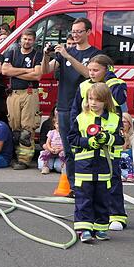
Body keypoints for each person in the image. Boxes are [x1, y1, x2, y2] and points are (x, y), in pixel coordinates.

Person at [42, 17, 101, 184]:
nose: (75, 35)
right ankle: (73, 185)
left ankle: (86, 183)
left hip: (84, 107)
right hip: (64, 106)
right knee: (68, 149)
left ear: (88, 32)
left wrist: (67, 55)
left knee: (83, 147)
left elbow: (87, 73)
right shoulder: (66, 54)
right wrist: (46, 56)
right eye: (73, 32)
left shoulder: (94, 54)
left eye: (79, 31)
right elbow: (45, 70)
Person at [68, 82, 123, 242]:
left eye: (97, 100)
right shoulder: (81, 118)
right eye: (90, 99)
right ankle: (84, 229)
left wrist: (109, 138)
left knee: (102, 198)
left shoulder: (114, 118)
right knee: (84, 198)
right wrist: (87, 142)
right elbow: (72, 138)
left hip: (105, 167)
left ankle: (100, 228)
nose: (93, 103)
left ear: (106, 101)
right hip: (84, 166)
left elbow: (120, 139)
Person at [2, 29, 42, 169]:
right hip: (13, 94)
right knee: (15, 129)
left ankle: (24, 160)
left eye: (30, 39)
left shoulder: (38, 54)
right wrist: (27, 70)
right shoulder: (12, 52)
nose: (27, 41)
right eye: (25, 39)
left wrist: (15, 71)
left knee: (27, 130)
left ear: (34, 40)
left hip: (29, 93)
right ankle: (16, 156)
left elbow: (37, 75)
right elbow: (5, 71)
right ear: (21, 40)